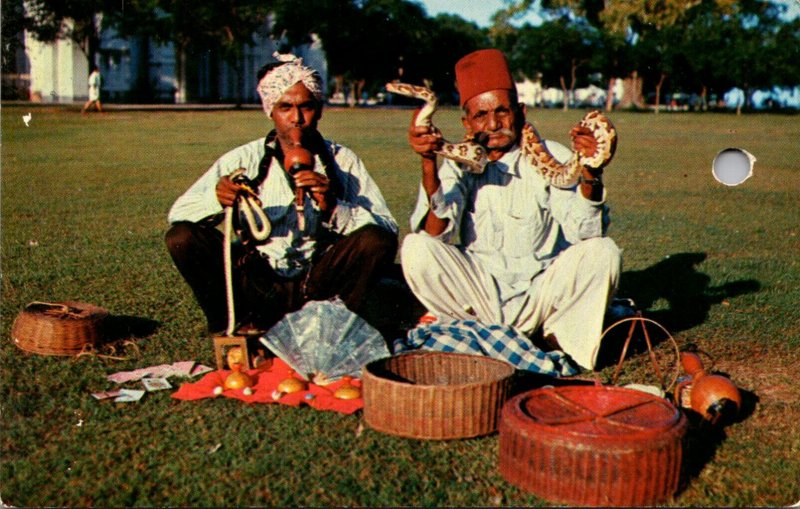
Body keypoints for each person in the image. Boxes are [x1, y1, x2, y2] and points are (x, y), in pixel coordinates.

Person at [400, 49, 622, 370]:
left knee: (604, 251)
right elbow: (438, 233)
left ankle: (558, 338)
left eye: (502, 112)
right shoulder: (459, 164)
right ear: (467, 122)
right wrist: (428, 161)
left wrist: (591, 171)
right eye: (481, 116)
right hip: (481, 295)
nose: (493, 124)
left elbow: (586, 232)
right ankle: (491, 331)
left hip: (540, 295)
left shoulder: (553, 156)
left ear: (520, 111)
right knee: (416, 247)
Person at [166, 53, 398, 335]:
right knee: (182, 238)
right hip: (258, 282)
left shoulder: (343, 161)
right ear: (270, 111)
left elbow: (387, 231)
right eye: (285, 107)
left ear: (320, 110)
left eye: (306, 107)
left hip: (319, 283)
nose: (297, 118)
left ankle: (327, 329)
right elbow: (178, 215)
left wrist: (336, 209)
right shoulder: (243, 159)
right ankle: (234, 327)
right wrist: (218, 197)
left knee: (374, 241)